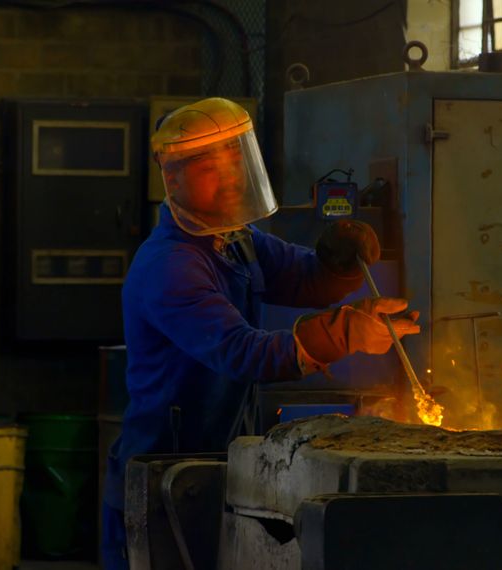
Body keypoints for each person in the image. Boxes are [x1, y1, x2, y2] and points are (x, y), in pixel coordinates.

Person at [101, 97, 419, 567]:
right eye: (213, 166)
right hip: (160, 471)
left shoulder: (233, 239)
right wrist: (345, 332)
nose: (231, 176)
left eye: (235, 160)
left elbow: (303, 278)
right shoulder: (171, 266)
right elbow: (244, 353)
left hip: (214, 462)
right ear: (174, 178)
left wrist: (338, 262)